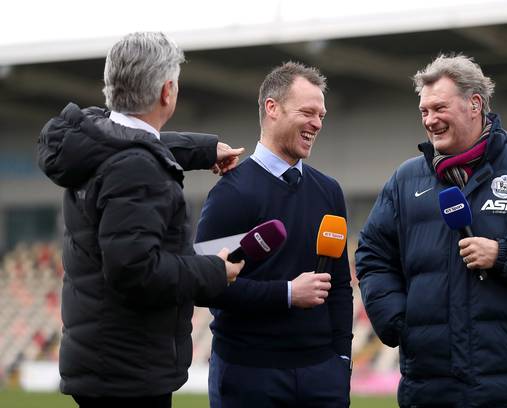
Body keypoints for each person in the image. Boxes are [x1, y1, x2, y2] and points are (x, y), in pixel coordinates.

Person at [355, 54, 507, 408]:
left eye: (439, 108)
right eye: (424, 111)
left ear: (474, 104)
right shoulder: (406, 180)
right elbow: (373, 255)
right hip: (429, 386)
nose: (430, 120)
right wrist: (399, 321)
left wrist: (503, 253)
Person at [37, 32, 245, 408]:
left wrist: (201, 150)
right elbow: (135, 270)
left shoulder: (97, 138)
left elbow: (141, 144)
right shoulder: (136, 168)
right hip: (126, 371)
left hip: (104, 362)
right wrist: (214, 271)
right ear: (168, 92)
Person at [195, 61, 353, 407]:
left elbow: (339, 284)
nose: (317, 123)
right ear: (272, 108)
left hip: (322, 376)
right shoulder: (230, 192)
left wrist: (342, 359)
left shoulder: (329, 191)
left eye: (322, 115)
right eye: (308, 112)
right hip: (248, 374)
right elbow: (205, 287)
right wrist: (286, 293)